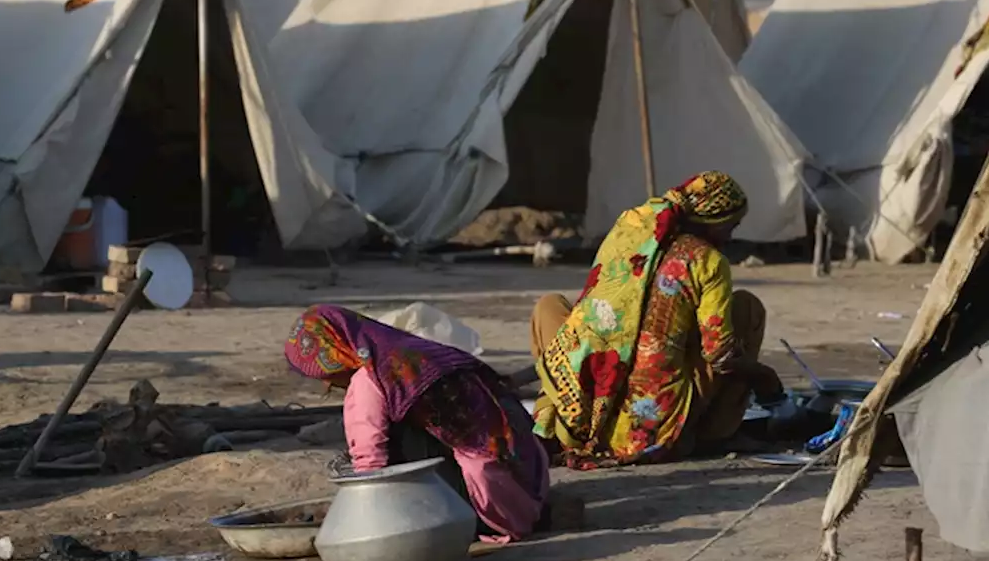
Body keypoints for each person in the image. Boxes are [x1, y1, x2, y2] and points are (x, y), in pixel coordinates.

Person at [529, 171, 787, 470]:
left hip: (588, 406)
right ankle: (717, 431)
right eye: (731, 226)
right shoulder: (707, 261)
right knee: (746, 308)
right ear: (713, 220)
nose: (730, 236)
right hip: (649, 430)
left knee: (550, 307)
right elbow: (719, 356)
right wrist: (764, 377)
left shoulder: (630, 230)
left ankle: (556, 416)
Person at [284, 304, 550, 542]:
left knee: (393, 440)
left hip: (486, 510)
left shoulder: (370, 379)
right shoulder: (424, 351)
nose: (326, 383)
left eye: (322, 374)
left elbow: (370, 467)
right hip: (530, 485)